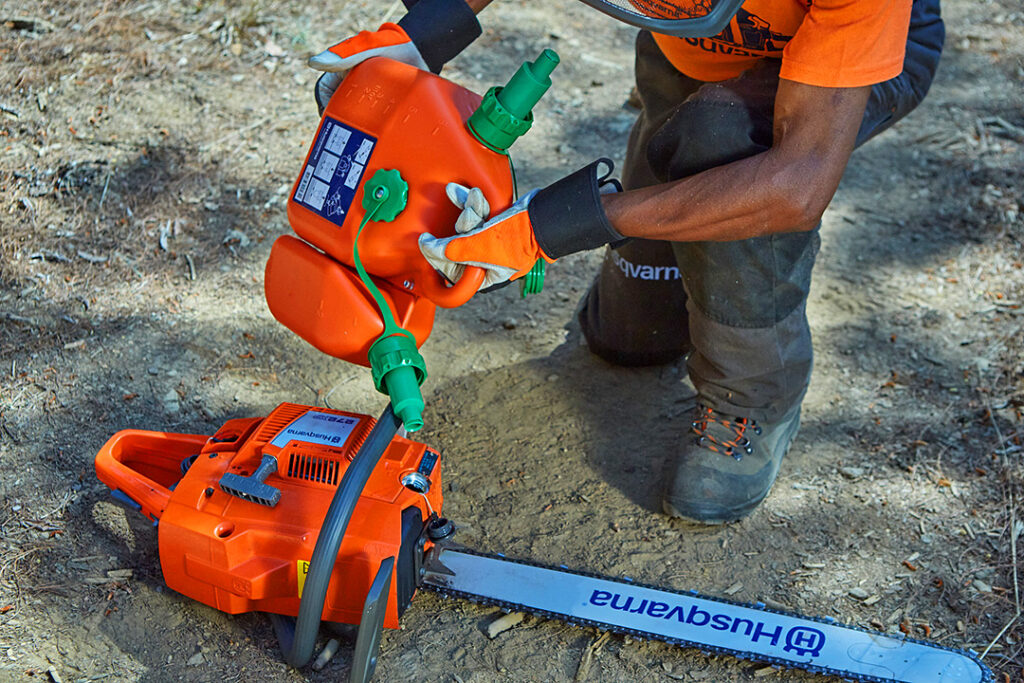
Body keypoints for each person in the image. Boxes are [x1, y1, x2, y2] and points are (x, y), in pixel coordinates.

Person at [306, 0, 944, 524]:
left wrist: (557, 226)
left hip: (839, 67)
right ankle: (677, 209)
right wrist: (419, 37)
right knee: (629, 336)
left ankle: (754, 396)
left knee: (723, 145)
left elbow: (795, 185)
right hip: (684, 41)